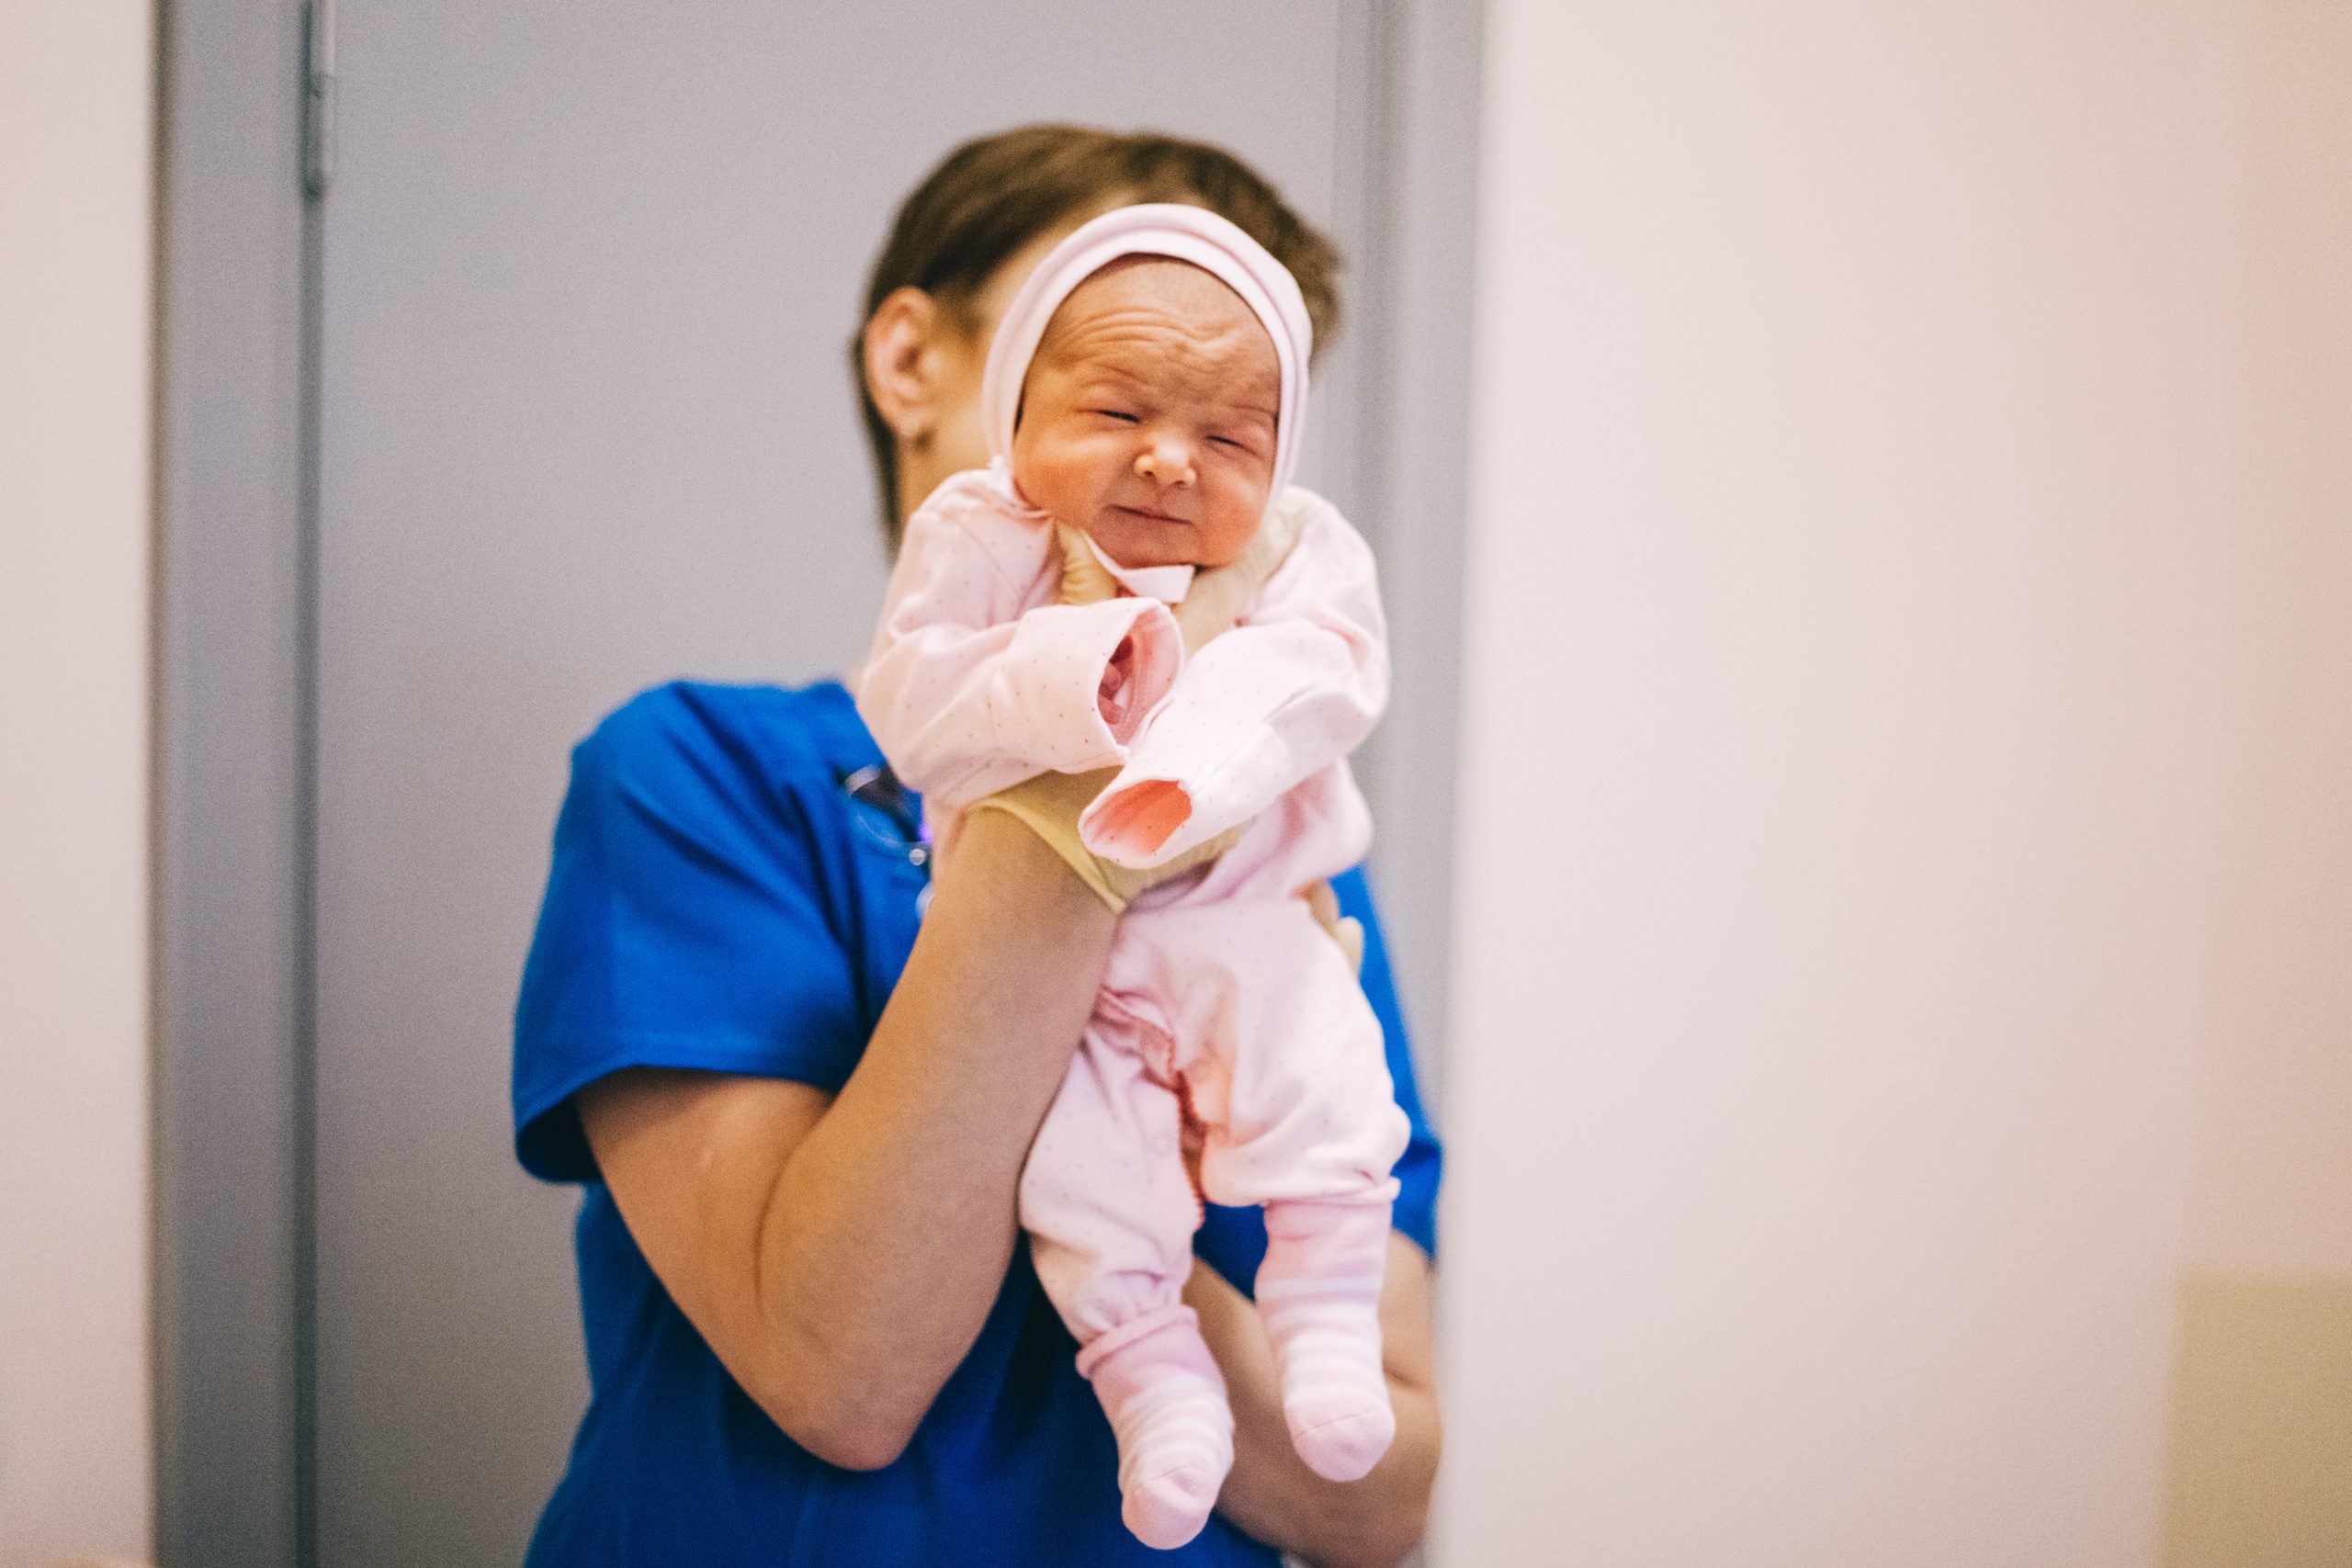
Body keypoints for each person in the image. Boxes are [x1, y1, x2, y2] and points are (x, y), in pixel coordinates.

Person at [512, 126, 1442, 1568]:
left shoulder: (1272, 849)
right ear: (917, 363)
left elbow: (1373, 1497)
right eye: (1118, 332)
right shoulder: (698, 776)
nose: (1174, 443)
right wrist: (1103, 770)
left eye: (1243, 398)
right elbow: (841, 1368)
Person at [856, 203, 1407, 1551]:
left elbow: (1327, 669)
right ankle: (1154, 1378)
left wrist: (1200, 753)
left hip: (1244, 919)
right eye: (1116, 410)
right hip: (1080, 1000)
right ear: (1014, 407)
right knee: (1083, 1177)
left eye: (1228, 437)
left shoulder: (1291, 549)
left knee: (1322, 1072)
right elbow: (919, 696)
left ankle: (1325, 1320)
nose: (1170, 459)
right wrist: (1088, 679)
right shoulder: (987, 547)